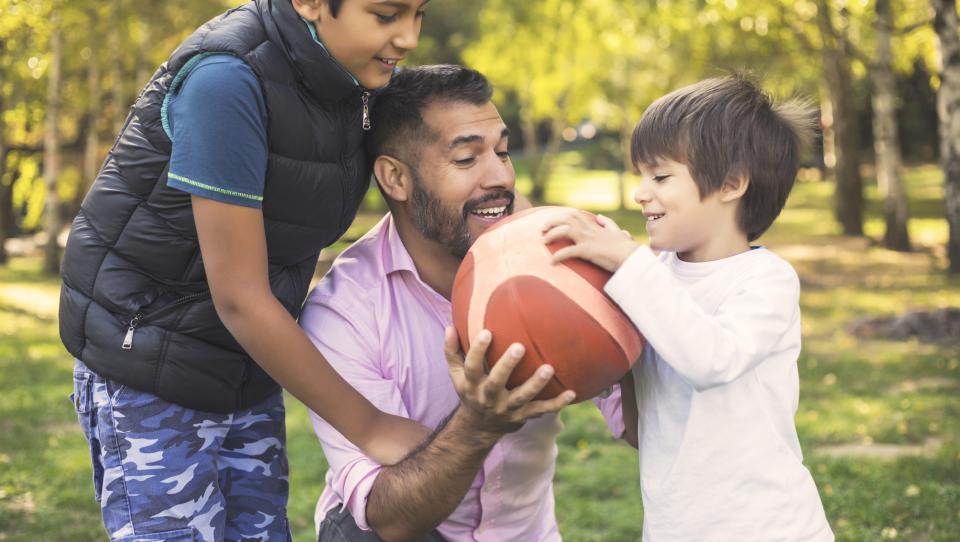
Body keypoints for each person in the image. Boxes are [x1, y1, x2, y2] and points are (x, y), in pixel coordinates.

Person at [59, 1, 431, 540]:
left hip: (246, 366)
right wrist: (371, 427)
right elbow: (240, 297)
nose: (409, 38)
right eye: (386, 15)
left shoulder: (350, 82)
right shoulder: (226, 82)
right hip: (148, 361)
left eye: (420, 14)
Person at [300, 64, 627, 542]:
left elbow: (640, 429)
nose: (500, 177)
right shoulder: (345, 310)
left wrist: (632, 305)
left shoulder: (559, 254)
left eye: (503, 151)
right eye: (466, 160)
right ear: (396, 177)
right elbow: (387, 518)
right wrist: (479, 424)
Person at [542, 76, 834, 541]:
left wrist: (629, 265)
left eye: (660, 176)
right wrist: (596, 342)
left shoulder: (764, 281)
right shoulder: (651, 279)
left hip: (767, 527)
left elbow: (711, 360)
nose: (640, 192)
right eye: (640, 175)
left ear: (731, 183)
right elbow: (639, 428)